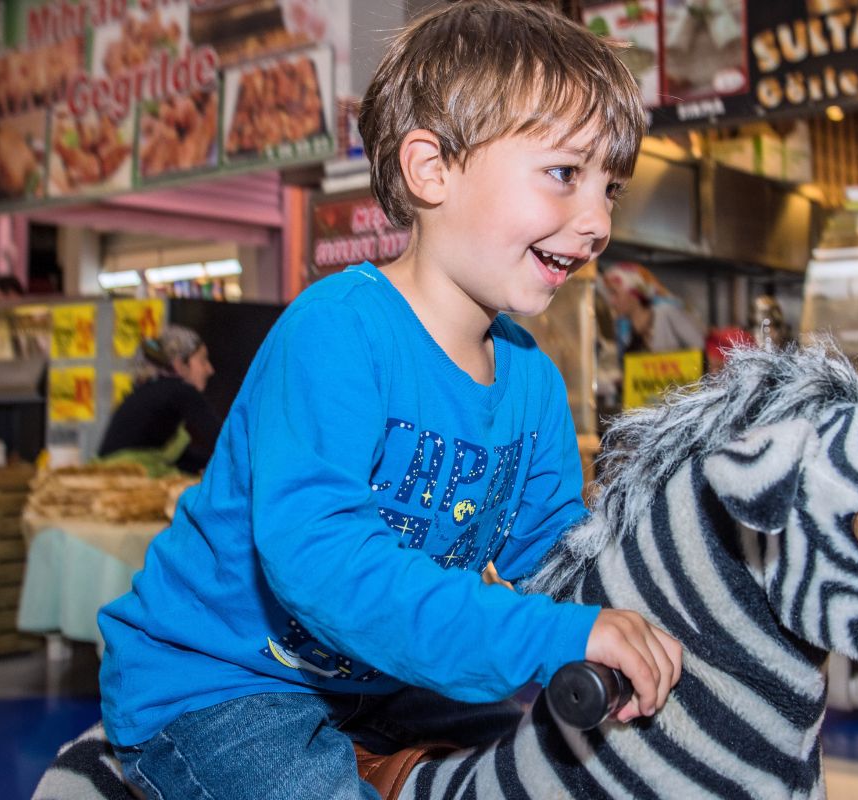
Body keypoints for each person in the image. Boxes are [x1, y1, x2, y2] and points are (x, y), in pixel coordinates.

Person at [96, 2, 683, 797]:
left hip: (375, 681)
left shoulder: (532, 380)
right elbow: (321, 560)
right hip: (216, 683)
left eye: (609, 188)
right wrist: (553, 635)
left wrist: (647, 609)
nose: (598, 221)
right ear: (430, 169)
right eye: (564, 174)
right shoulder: (337, 331)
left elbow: (552, 554)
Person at [96, 325, 221, 475]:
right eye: (203, 361)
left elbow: (181, 458)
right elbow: (223, 441)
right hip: (128, 478)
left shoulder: (150, 391)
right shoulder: (181, 391)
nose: (210, 369)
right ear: (179, 364)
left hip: (108, 475)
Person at [600, 261, 706, 354]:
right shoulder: (623, 327)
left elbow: (703, 351)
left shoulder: (666, 312)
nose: (611, 301)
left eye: (614, 293)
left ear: (634, 293)